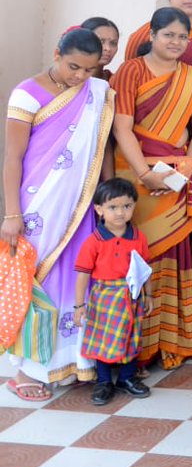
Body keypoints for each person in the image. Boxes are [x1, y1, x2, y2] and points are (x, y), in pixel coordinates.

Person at [3, 29, 111, 401]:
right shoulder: (26, 93)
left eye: (89, 70)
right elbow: (13, 158)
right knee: (37, 280)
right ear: (56, 54)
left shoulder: (97, 94)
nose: (80, 77)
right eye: (73, 67)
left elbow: (100, 149)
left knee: (77, 277)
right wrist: (11, 213)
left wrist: (106, 198)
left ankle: (72, 361)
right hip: (38, 204)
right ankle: (25, 370)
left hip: (79, 203)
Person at [110, 7, 192, 370]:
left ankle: (169, 342)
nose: (176, 42)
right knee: (136, 257)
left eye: (183, 37)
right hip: (136, 175)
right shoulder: (130, 71)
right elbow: (122, 127)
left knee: (172, 256)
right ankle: (132, 350)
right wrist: (144, 173)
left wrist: (185, 169)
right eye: (169, 34)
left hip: (176, 176)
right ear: (152, 35)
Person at [75, 178, 152, 404]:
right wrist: (79, 306)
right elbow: (82, 275)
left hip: (132, 295)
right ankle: (104, 381)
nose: (120, 213)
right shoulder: (94, 241)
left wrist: (149, 295)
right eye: (113, 207)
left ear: (134, 206)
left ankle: (127, 378)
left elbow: (145, 270)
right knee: (103, 339)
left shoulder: (138, 238)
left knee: (131, 336)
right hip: (104, 296)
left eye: (126, 206)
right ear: (99, 209)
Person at [80, 16, 120, 81]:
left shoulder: (114, 82)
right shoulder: (67, 80)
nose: (108, 48)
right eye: (101, 41)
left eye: (113, 43)